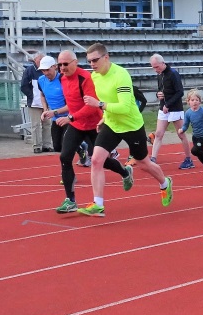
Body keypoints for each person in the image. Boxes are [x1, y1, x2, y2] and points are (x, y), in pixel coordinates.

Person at [79, 43, 173, 216]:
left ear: (106, 58)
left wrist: (99, 105)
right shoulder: (95, 77)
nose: (92, 64)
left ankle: (165, 183)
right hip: (112, 124)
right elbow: (107, 100)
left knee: (143, 163)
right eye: (89, 61)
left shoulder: (121, 75)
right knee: (96, 160)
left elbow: (123, 107)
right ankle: (98, 204)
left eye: (95, 60)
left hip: (131, 125)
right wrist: (104, 118)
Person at [53, 50, 125, 213]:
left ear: (75, 62)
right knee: (65, 157)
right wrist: (55, 112)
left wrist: (71, 118)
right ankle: (70, 201)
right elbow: (73, 103)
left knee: (101, 161)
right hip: (77, 125)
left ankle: (124, 171)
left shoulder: (85, 78)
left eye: (65, 64)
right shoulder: (62, 79)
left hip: (94, 125)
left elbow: (92, 105)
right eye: (60, 64)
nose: (62, 68)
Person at [148, 54, 193, 168]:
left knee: (181, 134)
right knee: (158, 134)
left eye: (156, 67)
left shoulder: (173, 74)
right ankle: (153, 159)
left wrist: (168, 104)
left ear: (163, 63)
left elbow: (180, 92)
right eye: (153, 67)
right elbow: (161, 90)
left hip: (175, 109)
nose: (155, 70)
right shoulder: (159, 75)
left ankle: (188, 159)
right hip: (163, 108)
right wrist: (158, 95)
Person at [179, 89, 203, 179]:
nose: (194, 102)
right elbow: (186, 125)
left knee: (194, 151)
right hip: (195, 137)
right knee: (199, 153)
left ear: (200, 101)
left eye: (197, 100)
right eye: (192, 100)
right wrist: (182, 130)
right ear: (188, 102)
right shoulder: (188, 113)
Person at [36, 56, 68, 155]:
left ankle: (82, 149)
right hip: (55, 118)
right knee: (57, 147)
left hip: (68, 117)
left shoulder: (63, 80)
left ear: (54, 67)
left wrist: (54, 112)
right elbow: (42, 95)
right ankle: (82, 146)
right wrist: (45, 110)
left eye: (47, 70)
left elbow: (72, 104)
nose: (46, 73)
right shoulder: (41, 80)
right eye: (43, 70)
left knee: (66, 147)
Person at [21, 51, 52, 153]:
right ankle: (37, 145)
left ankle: (47, 145)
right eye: (40, 59)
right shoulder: (29, 71)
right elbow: (23, 86)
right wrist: (32, 96)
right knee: (35, 125)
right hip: (34, 103)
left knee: (47, 124)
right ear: (35, 60)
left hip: (46, 103)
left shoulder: (47, 71)